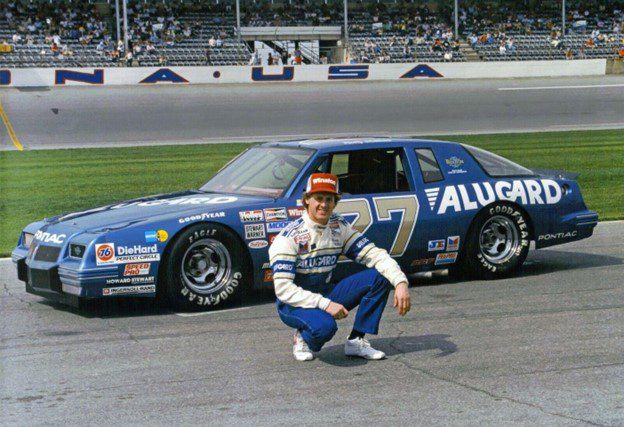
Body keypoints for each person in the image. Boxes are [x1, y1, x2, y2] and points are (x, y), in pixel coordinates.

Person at [269, 173, 411, 362]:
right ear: (306, 201)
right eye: (318, 198)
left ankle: (356, 340)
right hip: (293, 304)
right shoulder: (288, 237)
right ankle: (302, 336)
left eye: (329, 199)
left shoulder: (338, 226)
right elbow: (283, 290)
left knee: (379, 277)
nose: (324, 204)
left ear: (336, 202)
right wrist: (326, 305)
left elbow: (374, 254)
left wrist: (400, 282)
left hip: (326, 292)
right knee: (325, 328)